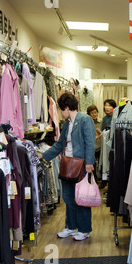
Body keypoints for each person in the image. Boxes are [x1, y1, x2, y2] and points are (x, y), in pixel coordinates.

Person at [38, 92, 96, 241]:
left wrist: (89, 163)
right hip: (67, 164)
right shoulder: (66, 124)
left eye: (61, 109)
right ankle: (70, 227)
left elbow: (90, 143)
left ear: (67, 107)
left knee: (82, 198)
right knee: (69, 198)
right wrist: (43, 155)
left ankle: (84, 229)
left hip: (81, 165)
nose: (60, 112)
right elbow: (59, 145)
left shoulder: (85, 120)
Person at [87, 104, 102, 177]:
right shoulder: (87, 123)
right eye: (92, 113)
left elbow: (104, 133)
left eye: (95, 112)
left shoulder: (101, 121)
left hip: (100, 146)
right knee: (93, 164)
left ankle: (100, 178)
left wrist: (101, 134)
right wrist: (98, 136)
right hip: (91, 147)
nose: (94, 114)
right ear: (89, 114)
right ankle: (94, 178)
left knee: (100, 163)